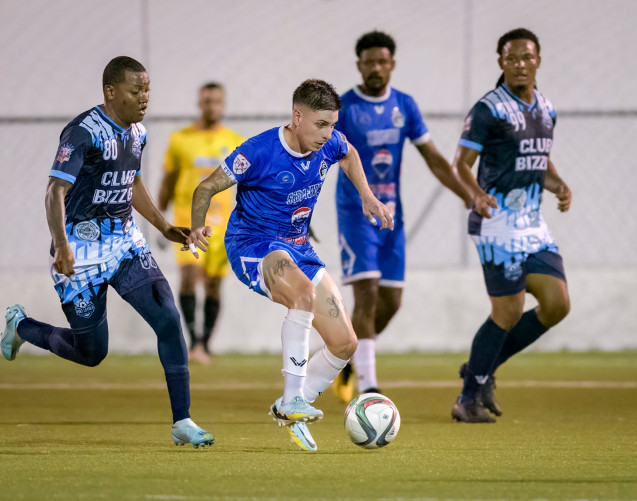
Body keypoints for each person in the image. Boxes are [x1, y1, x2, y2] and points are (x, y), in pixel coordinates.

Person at [0, 56, 214, 447]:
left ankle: (182, 422)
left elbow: (132, 183)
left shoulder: (138, 133)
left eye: (147, 90)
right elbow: (54, 192)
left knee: (168, 318)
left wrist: (164, 227)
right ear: (111, 92)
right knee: (91, 352)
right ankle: (22, 328)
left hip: (125, 243)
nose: (145, 98)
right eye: (136, 90)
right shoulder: (84, 132)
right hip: (80, 251)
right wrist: (62, 245)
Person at [187, 79, 393, 451]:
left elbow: (349, 153)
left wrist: (367, 196)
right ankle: (294, 397)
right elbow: (206, 187)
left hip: (299, 247)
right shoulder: (258, 151)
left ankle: (290, 407)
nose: (328, 134)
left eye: (332, 124)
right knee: (303, 294)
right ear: (297, 117)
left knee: (345, 343)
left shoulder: (330, 142)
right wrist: (197, 225)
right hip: (253, 245)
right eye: (321, 124)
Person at [333, 31, 471, 402]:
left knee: (391, 302)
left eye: (382, 61)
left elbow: (434, 159)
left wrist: (467, 195)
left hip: (392, 215)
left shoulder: (405, 105)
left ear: (392, 63)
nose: (376, 68)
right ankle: (369, 387)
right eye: (369, 62)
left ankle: (347, 357)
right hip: (355, 213)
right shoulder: (344, 108)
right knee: (366, 294)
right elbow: (319, 160)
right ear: (359, 65)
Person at [450, 28, 572, 423]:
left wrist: (558, 185)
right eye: (512, 58)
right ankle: (468, 399)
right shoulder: (488, 110)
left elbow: (539, 159)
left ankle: (481, 368)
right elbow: (460, 165)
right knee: (508, 312)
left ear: (538, 61)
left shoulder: (547, 109)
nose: (520, 64)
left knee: (557, 304)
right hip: (496, 225)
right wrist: (476, 194)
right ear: (501, 62)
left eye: (527, 57)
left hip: (533, 225)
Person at [158, 82, 244, 364]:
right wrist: (160, 219)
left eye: (217, 101)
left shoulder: (235, 141)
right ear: (199, 103)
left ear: (223, 104)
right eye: (207, 101)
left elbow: (247, 183)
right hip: (188, 222)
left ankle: (204, 344)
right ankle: (193, 341)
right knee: (188, 278)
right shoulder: (180, 140)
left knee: (214, 285)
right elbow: (168, 181)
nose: (212, 106)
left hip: (223, 226)